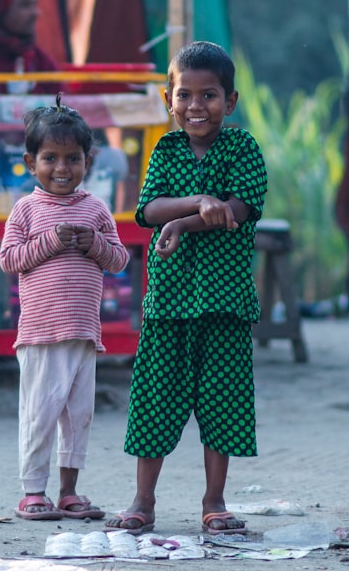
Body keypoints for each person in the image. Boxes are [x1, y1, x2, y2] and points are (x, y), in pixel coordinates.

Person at [104, 41, 267, 536]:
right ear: (168, 100)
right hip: (169, 304)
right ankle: (142, 502)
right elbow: (148, 211)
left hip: (225, 304)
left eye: (210, 95)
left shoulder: (244, 149)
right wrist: (196, 204)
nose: (197, 106)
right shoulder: (165, 149)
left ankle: (214, 503)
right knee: (154, 401)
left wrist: (185, 225)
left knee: (222, 406)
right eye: (186, 96)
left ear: (230, 101)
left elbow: (238, 210)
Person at [0, 96, 131, 520]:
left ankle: (69, 491)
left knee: (78, 416)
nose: (62, 168)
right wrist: (51, 241)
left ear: (87, 161)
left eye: (72, 158)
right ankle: (32, 491)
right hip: (40, 333)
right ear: (30, 161)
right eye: (50, 158)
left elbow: (119, 259)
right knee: (40, 413)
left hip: (84, 335)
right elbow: (10, 260)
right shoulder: (26, 209)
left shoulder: (96, 209)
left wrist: (94, 244)